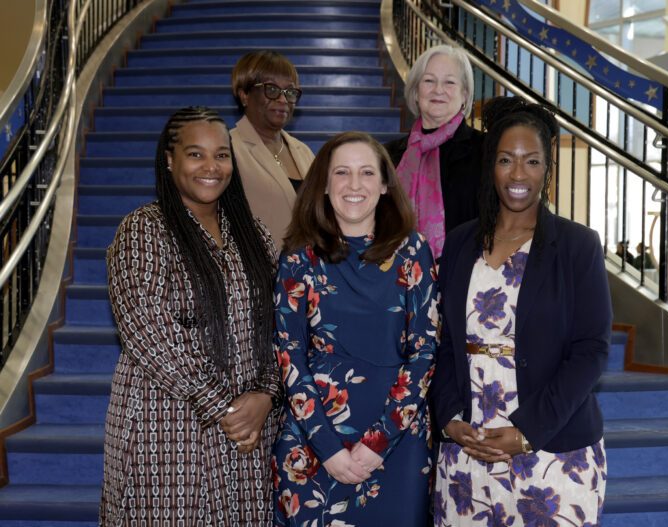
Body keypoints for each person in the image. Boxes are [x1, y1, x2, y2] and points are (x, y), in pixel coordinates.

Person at [430, 97, 611, 526]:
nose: (517, 174)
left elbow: (591, 350)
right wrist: (450, 420)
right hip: (467, 451)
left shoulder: (578, 246)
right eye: (505, 160)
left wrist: (526, 432)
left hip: (553, 452)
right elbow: (445, 343)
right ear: (490, 166)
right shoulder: (459, 243)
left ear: (547, 169)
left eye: (531, 161)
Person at [100, 107, 282, 525]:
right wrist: (224, 408)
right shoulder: (144, 229)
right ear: (170, 160)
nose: (211, 167)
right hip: (168, 426)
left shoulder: (254, 234)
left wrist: (266, 394)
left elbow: (279, 322)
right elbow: (146, 329)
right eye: (196, 154)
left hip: (249, 431)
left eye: (222, 155)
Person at [271, 131, 439, 526]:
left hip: (398, 441)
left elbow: (425, 352)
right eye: (342, 172)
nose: (354, 184)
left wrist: (377, 443)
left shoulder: (413, 251)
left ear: (384, 185)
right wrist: (327, 447)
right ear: (324, 185)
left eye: (366, 173)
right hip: (312, 443)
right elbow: (289, 356)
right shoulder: (297, 259)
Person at [385, 44, 484, 258]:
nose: (438, 90)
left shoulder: (486, 151)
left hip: (465, 273)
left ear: (464, 94)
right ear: (416, 92)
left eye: (449, 82)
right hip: (396, 273)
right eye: (429, 80)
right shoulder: (389, 155)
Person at [231, 50, 315, 249]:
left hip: (306, 265)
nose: (283, 100)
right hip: (254, 266)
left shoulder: (304, 152)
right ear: (244, 95)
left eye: (290, 92)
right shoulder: (226, 149)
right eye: (271, 89)